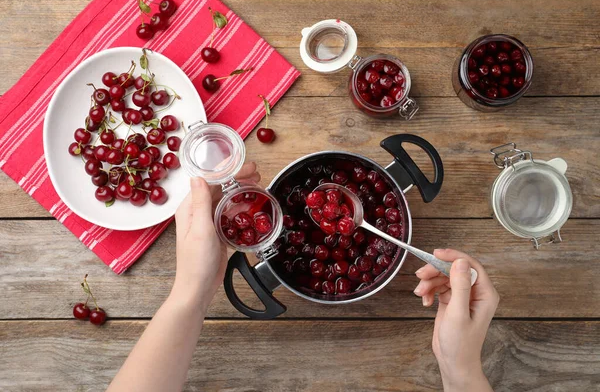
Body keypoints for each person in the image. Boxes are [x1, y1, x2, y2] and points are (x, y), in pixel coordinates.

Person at [107, 163, 500, 392]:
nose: (321, 207)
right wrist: (460, 369)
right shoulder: (316, 224)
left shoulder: (333, 226)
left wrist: (191, 292)